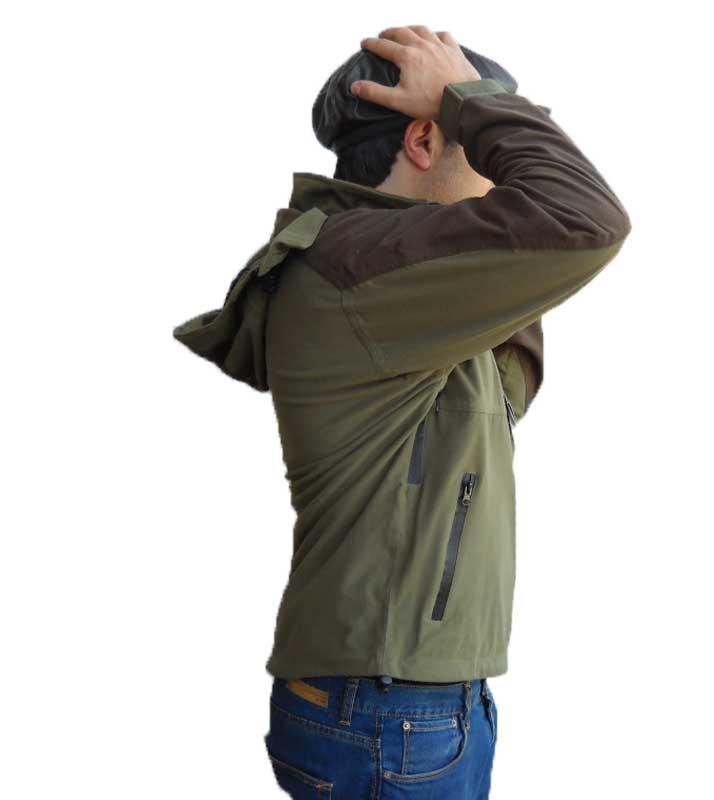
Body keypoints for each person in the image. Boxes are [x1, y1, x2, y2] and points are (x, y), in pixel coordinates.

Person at [174, 24, 631, 799]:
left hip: (410, 705)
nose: (499, 172)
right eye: (480, 146)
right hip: (389, 714)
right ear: (425, 138)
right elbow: (585, 220)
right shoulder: (358, 267)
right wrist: (473, 101)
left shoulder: (400, 282)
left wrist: (478, 124)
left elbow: (517, 365)